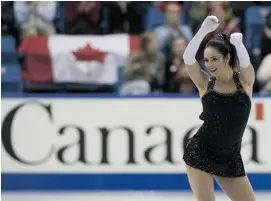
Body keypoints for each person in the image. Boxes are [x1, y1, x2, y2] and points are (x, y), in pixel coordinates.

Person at [182, 15, 256, 201]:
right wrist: (203, 31)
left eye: (214, 59)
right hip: (201, 153)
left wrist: (239, 45)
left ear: (227, 58)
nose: (209, 65)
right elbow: (188, 58)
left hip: (230, 158)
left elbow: (246, 65)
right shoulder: (205, 84)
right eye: (206, 60)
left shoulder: (245, 83)